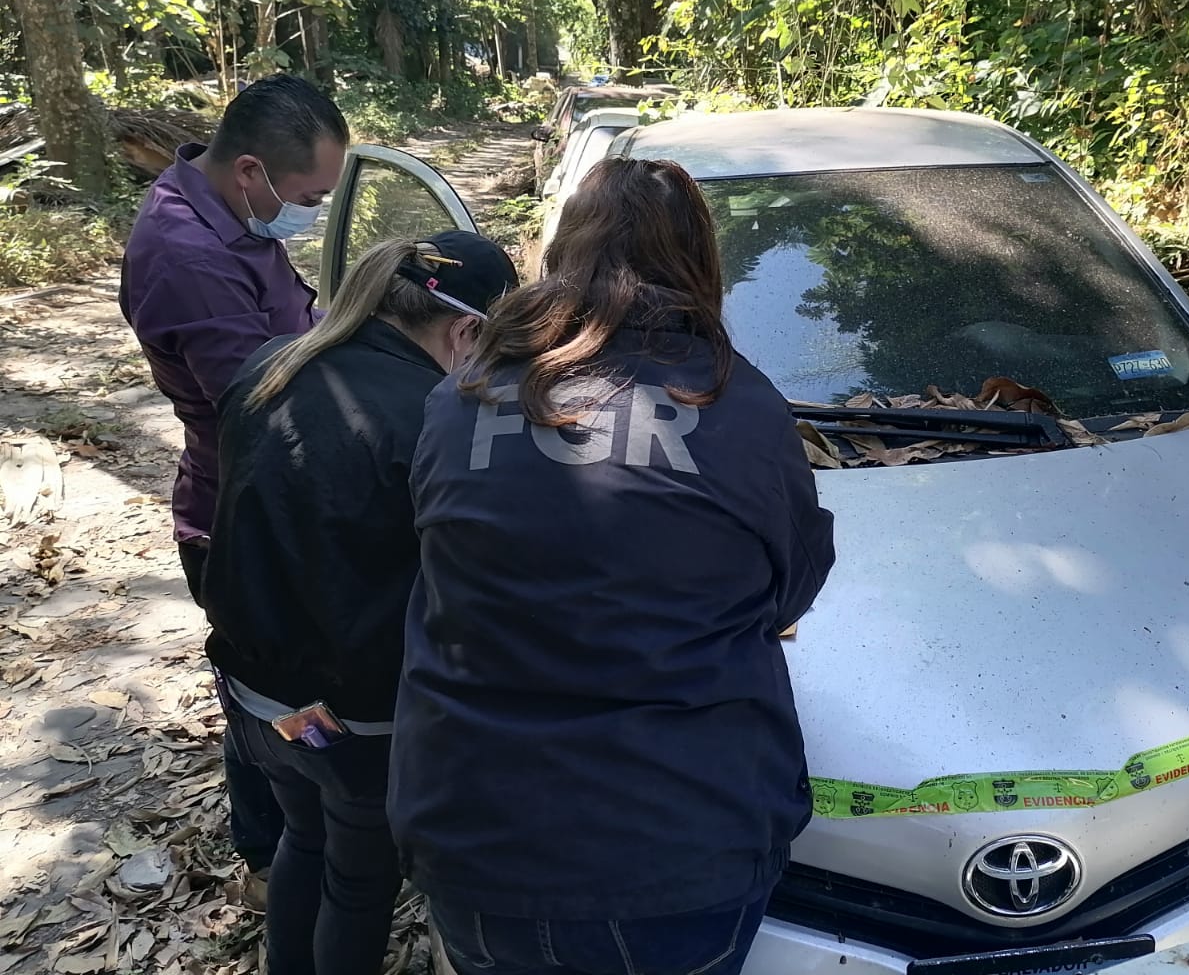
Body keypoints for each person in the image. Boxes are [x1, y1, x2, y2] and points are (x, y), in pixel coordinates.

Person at [391, 158, 836, 975]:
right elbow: (793, 587)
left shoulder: (461, 397)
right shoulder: (735, 404)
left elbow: (445, 557)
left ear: (563, 251)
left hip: (475, 839)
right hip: (676, 854)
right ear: (698, 261)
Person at [199, 231, 519, 975]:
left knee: (303, 838)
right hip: (355, 716)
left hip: (252, 692)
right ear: (465, 332)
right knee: (358, 877)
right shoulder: (434, 414)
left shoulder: (272, 364)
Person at [120, 73, 349, 875]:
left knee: (280, 680)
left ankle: (290, 831)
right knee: (275, 696)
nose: (313, 211)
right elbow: (265, 406)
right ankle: (273, 854)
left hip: (263, 495)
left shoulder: (227, 207)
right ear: (251, 171)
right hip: (246, 515)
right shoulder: (187, 255)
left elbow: (291, 328)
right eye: (310, 197)